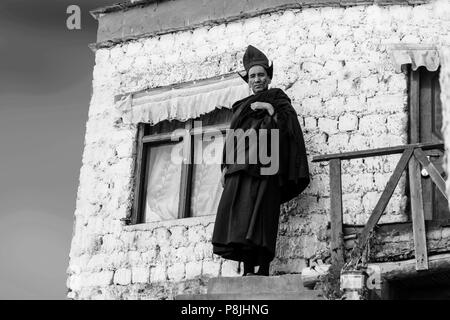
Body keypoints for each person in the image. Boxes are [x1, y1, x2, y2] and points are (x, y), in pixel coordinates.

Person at [212, 45, 310, 276]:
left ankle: (263, 268)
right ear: (248, 79)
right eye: (253, 76)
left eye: (261, 75)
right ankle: (247, 268)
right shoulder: (239, 107)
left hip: (267, 167)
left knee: (264, 215)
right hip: (241, 170)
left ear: (268, 77)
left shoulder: (278, 99)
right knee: (242, 217)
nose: (257, 79)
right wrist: (225, 168)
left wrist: (268, 108)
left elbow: (288, 129)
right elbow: (232, 138)